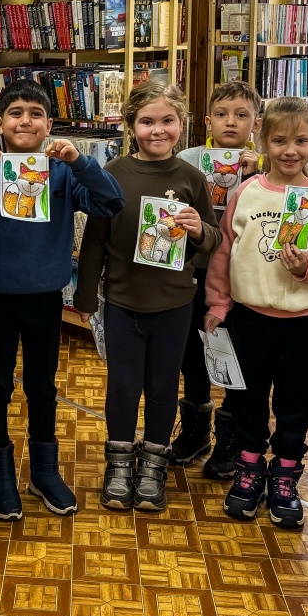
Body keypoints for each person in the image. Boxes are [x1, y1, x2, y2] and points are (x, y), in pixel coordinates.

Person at [0, 78, 124, 520]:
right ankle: (0, 476)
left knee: (42, 386)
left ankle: (44, 472)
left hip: (46, 296)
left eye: (36, 114)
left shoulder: (63, 170)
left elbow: (111, 203)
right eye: (15, 113)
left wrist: (80, 161)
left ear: (49, 125)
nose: (25, 121)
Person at [205, 97, 308, 529]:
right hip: (249, 320)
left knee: (296, 404)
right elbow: (224, 252)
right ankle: (249, 468)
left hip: (301, 325)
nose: (290, 150)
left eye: (301, 141)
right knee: (246, 399)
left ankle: (285, 476)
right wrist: (218, 303)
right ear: (263, 141)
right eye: (280, 140)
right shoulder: (245, 192)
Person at [74, 81, 221, 511]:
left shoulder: (192, 178)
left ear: (182, 123)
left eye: (168, 120)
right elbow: (95, 242)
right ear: (130, 126)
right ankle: (119, 463)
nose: (158, 130)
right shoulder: (113, 174)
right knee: (122, 387)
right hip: (122, 303)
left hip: (174, 305)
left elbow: (213, 240)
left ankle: (154, 464)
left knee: (162, 387)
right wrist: (86, 297)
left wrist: (198, 230)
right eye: (147, 122)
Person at [172, 79, 263, 478]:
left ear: (255, 124)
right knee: (193, 352)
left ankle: (231, 437)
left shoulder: (265, 166)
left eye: (241, 115)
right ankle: (196, 429)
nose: (231, 122)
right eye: (222, 115)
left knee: (234, 353)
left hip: (241, 279)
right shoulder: (189, 159)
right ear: (207, 121)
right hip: (195, 271)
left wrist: (256, 174)